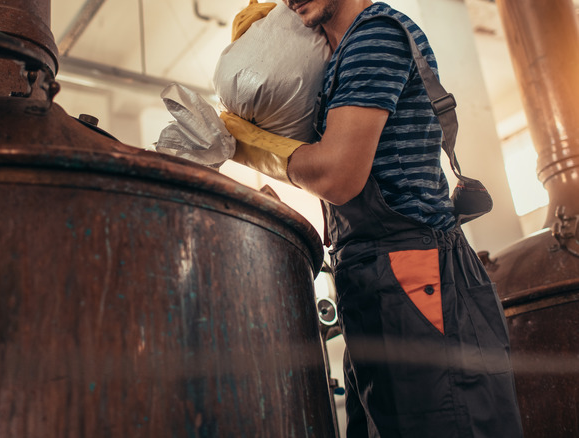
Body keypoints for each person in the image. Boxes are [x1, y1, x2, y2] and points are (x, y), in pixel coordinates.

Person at [220, 1, 525, 437]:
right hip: (370, 279)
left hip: (414, 274)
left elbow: (337, 175)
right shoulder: (335, 62)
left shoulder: (375, 37)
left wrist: (245, 147)